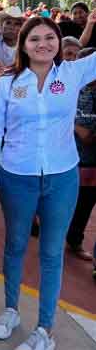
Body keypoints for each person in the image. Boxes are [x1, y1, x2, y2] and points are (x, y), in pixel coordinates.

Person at [0, 17, 96, 350]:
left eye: (50, 37)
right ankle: (10, 310)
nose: (43, 44)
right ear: (23, 44)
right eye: (34, 38)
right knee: (15, 245)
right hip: (16, 175)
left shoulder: (73, 73)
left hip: (62, 176)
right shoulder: (7, 82)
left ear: (60, 42)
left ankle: (45, 329)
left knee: (51, 252)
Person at [68, 47, 96, 261]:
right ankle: (72, 239)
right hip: (80, 158)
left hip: (88, 158)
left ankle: (74, 239)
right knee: (80, 201)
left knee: (85, 202)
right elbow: (85, 134)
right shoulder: (76, 91)